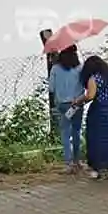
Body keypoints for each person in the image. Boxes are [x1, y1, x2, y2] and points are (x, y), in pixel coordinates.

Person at [48, 45, 84, 173]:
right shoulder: (80, 68)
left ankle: (68, 163)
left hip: (63, 105)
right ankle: (77, 161)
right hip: (77, 104)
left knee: (65, 132)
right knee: (76, 131)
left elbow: (51, 88)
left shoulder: (56, 69)